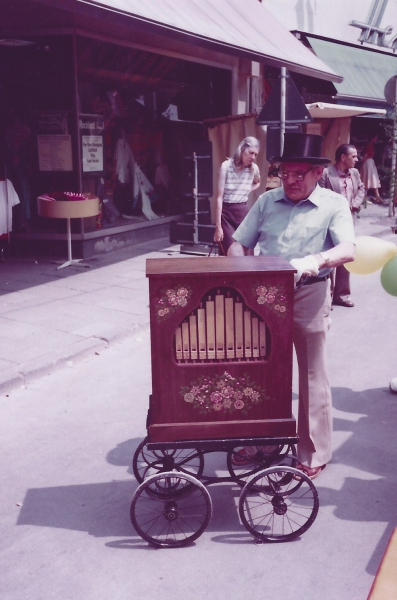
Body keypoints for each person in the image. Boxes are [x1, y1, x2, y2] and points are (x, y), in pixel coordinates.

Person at [228, 133, 355, 480]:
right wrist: (239, 265)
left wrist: (313, 260)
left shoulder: (334, 204)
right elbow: (238, 242)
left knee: (312, 373)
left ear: (318, 173)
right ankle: (262, 441)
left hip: (309, 292)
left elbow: (348, 250)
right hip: (263, 294)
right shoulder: (268, 201)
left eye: (300, 174)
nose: (291, 180)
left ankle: (313, 451)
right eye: (285, 173)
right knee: (262, 368)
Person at [319, 144, 365, 308]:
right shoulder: (326, 173)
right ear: (343, 157)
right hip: (330, 220)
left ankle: (342, 295)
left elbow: (361, 189)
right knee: (330, 256)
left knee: (346, 256)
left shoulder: (355, 173)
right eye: (353, 156)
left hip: (349, 220)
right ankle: (327, 296)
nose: (357, 159)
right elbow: (320, 194)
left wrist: (355, 203)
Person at [214, 137, 260, 255]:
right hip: (226, 213)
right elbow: (219, 198)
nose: (253, 157)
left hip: (243, 213)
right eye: (251, 153)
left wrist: (246, 190)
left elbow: (257, 182)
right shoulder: (226, 166)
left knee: (246, 250)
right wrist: (218, 227)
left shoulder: (254, 168)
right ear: (242, 149)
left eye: (255, 154)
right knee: (230, 252)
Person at [361, 135, 382, 203]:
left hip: (369, 162)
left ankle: (376, 196)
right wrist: (362, 164)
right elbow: (366, 155)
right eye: (375, 137)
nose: (376, 138)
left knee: (371, 179)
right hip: (368, 162)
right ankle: (365, 197)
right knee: (369, 179)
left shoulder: (371, 144)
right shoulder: (369, 145)